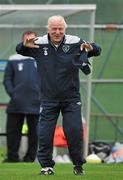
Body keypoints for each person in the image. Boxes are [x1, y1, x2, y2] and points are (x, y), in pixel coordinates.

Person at [16, 16, 101, 175]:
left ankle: (78, 165)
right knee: (45, 134)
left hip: (71, 99)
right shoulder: (39, 43)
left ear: (65, 28)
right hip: (48, 99)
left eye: (60, 28)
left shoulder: (75, 41)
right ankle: (46, 167)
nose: (57, 32)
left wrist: (91, 48)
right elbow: (19, 49)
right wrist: (23, 44)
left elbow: (96, 50)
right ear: (48, 28)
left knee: (74, 132)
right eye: (54, 28)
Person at [3, 31, 41, 163]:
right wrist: (13, 94)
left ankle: (30, 159)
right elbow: (7, 79)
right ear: (23, 41)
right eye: (27, 40)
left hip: (36, 103)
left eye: (32, 39)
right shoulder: (14, 58)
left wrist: (41, 95)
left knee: (35, 133)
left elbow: (48, 78)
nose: (30, 42)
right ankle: (12, 158)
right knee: (13, 132)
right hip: (16, 103)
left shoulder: (41, 57)